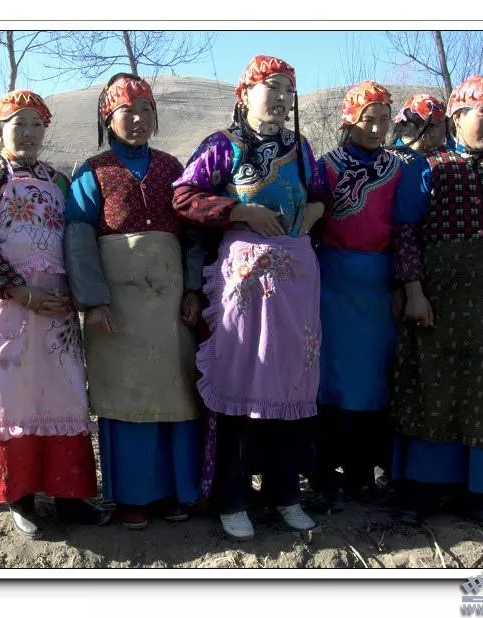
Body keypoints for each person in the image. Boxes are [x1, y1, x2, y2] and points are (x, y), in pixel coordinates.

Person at [171, 55, 327, 540]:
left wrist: (316, 210)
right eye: (271, 87)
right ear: (244, 94)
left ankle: (285, 493)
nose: (280, 98)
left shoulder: (301, 148)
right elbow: (184, 196)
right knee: (241, 379)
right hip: (244, 283)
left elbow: (322, 194)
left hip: (295, 283)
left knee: (289, 386)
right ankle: (232, 497)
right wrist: (240, 211)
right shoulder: (223, 145)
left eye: (287, 90)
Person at [0, 89, 110, 539]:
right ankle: (18, 495)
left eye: (35, 124)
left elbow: (76, 239)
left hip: (56, 311)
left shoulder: (59, 181)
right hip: (7, 309)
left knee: (63, 395)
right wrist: (20, 292)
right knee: (12, 398)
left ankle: (69, 495)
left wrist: (78, 294)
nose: (27, 132)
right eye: (17, 124)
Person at [390, 75, 483, 526]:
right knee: (432, 388)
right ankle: (424, 493)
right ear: (456, 118)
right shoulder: (428, 166)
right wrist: (414, 292)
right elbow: (405, 234)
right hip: (437, 305)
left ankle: (478, 496)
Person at [64, 73, 203, 530]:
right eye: (128, 111)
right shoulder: (92, 172)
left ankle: (177, 492)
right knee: (125, 395)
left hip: (169, 304)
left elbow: (192, 235)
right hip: (116, 306)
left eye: (147, 111)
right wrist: (93, 301)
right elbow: (79, 239)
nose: (139, 119)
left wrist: (193, 289)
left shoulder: (172, 167)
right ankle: (132, 497)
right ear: (108, 117)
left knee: (175, 392)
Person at [312, 81, 403, 511]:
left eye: (384, 120)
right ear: (350, 120)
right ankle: (324, 473)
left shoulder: (398, 169)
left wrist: (403, 284)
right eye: (369, 119)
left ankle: (363, 473)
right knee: (330, 376)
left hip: (380, 284)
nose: (377, 128)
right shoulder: (325, 167)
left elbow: (406, 229)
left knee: (372, 379)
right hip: (332, 281)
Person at [390, 93, 449, 161]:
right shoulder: (444, 161)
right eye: (443, 123)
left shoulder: (388, 158)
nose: (445, 130)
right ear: (426, 131)